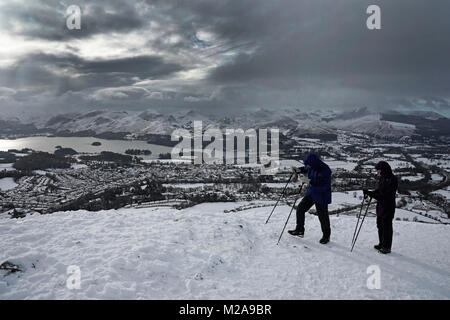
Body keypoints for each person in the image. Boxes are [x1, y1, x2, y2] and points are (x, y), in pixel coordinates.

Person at [288, 154, 332, 244]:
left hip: (321, 196)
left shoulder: (325, 170)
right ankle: (300, 230)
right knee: (300, 209)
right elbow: (305, 169)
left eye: (308, 164)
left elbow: (325, 187)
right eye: (307, 164)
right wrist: (298, 170)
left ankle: (326, 236)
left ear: (314, 163)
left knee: (323, 217)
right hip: (311, 193)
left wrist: (310, 182)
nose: (307, 166)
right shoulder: (311, 166)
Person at [363, 161, 398, 254]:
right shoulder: (383, 178)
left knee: (387, 227)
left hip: (388, 206)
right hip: (381, 206)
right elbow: (380, 190)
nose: (378, 172)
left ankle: (386, 247)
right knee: (380, 225)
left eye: (378, 170)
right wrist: (371, 192)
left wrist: (371, 194)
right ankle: (381, 243)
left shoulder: (392, 179)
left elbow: (385, 196)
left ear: (383, 169)